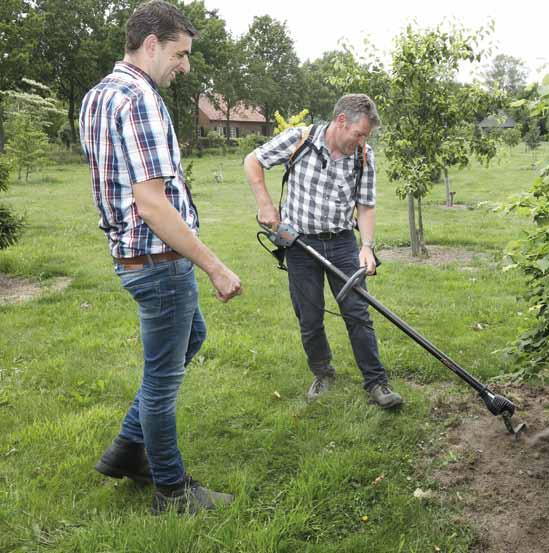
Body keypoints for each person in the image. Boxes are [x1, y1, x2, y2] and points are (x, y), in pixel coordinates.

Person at [79, 0, 242, 515]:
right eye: (181, 53)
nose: (186, 65)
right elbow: (151, 203)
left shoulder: (98, 96)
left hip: (133, 259)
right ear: (152, 44)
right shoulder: (140, 98)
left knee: (191, 337)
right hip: (159, 262)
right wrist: (214, 264)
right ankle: (171, 490)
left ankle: (127, 450)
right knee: (162, 381)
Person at [244, 94, 403, 409]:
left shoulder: (363, 156)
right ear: (341, 120)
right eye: (358, 134)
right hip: (300, 244)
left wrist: (367, 247)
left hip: (343, 242)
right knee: (310, 316)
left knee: (358, 312)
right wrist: (264, 202)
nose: (360, 142)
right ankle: (323, 373)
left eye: (365, 137)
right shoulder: (299, 139)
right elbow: (253, 160)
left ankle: (376, 382)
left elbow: (366, 206)